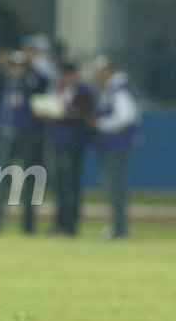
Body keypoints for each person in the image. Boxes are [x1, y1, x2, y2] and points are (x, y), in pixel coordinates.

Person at [0, 49, 46, 234]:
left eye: (19, 66)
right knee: (0, 179)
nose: (15, 70)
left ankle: (29, 227)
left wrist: (27, 75)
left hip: (28, 135)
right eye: (13, 66)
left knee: (30, 178)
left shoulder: (32, 82)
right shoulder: (2, 81)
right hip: (5, 133)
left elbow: (43, 84)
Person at [42, 61, 93, 235]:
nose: (62, 78)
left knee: (70, 185)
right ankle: (59, 224)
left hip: (73, 142)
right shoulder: (59, 90)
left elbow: (81, 114)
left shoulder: (83, 91)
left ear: (74, 75)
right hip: (57, 141)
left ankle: (70, 226)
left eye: (65, 75)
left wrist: (63, 113)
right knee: (58, 185)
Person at [93, 55, 139, 239]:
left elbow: (126, 117)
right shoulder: (115, 89)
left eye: (99, 73)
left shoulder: (119, 90)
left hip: (117, 145)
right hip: (113, 145)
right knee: (113, 186)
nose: (97, 76)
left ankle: (119, 228)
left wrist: (101, 124)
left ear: (107, 72)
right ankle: (117, 226)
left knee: (115, 187)